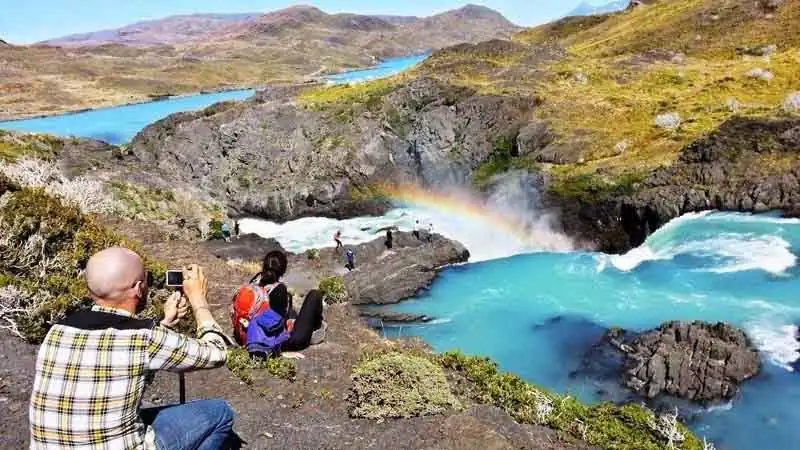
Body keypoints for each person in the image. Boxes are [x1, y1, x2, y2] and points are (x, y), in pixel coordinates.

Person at [29, 247, 235, 450]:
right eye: (148, 279)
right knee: (220, 412)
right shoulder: (144, 337)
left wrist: (165, 325)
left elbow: (124, 365)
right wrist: (199, 301)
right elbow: (217, 352)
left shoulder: (58, 331)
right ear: (138, 288)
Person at [235, 250, 325, 356]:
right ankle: (316, 326)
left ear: (264, 266)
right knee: (315, 295)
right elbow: (276, 324)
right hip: (277, 343)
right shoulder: (279, 289)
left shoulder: (255, 281)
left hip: (248, 334)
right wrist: (280, 352)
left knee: (290, 310)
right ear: (283, 270)